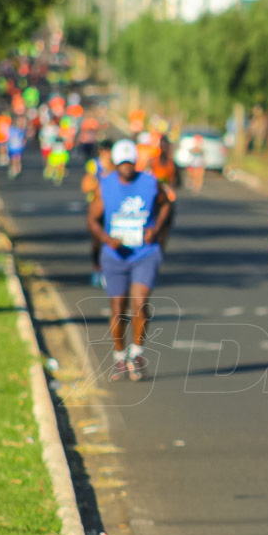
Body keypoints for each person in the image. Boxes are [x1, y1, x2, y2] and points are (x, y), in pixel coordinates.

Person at [87, 139, 171, 382]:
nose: (126, 167)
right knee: (118, 308)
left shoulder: (150, 182)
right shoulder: (105, 185)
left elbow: (166, 205)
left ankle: (137, 352)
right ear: (114, 163)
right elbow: (92, 219)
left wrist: (155, 230)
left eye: (129, 162)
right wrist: (106, 238)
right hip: (115, 256)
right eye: (121, 162)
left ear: (135, 162)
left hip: (144, 253)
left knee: (140, 302)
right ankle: (119, 355)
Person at [82, 139, 116, 287]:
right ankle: (97, 269)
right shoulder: (94, 165)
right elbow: (85, 186)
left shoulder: (118, 166)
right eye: (105, 151)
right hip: (98, 206)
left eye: (110, 151)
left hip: (114, 208)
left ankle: (113, 271)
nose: (108, 154)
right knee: (97, 240)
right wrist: (100, 183)